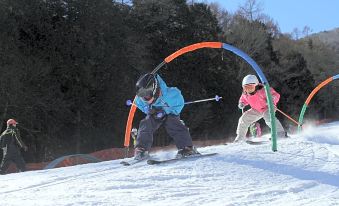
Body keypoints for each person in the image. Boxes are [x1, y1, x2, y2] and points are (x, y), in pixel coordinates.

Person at [133, 73, 199, 160]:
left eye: (147, 97)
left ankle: (186, 148)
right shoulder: (141, 99)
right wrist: (147, 109)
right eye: (142, 98)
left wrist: (165, 111)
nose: (145, 100)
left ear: (155, 91)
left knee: (173, 123)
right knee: (146, 123)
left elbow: (179, 105)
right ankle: (141, 149)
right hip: (155, 114)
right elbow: (138, 103)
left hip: (170, 113)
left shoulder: (171, 95)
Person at [234, 74, 286, 142]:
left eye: (250, 88)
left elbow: (276, 95)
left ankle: (280, 133)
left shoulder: (264, 90)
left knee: (268, 117)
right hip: (256, 110)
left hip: (268, 107)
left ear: (256, 85)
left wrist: (271, 100)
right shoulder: (245, 93)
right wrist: (242, 103)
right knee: (243, 119)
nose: (248, 90)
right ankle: (240, 137)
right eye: (246, 88)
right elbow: (243, 99)